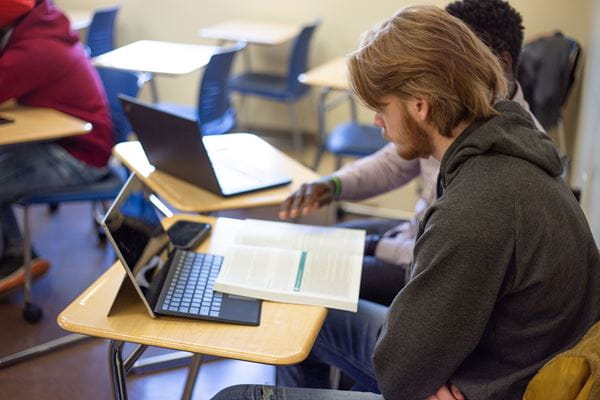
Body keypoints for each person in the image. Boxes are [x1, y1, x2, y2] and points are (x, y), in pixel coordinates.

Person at [211, 5, 600, 399]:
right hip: (489, 362)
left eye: (381, 108)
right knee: (308, 311)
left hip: (482, 384)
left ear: (419, 105)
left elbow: (399, 375)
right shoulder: (507, 143)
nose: (377, 122)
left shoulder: (476, 208)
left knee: (233, 396)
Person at [279, 0, 544, 307]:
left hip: (426, 264)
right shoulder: (452, 116)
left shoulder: (495, 167)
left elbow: (444, 257)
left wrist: (378, 246)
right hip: (413, 235)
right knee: (320, 244)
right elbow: (394, 163)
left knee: (312, 279)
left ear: (500, 62)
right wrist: (333, 185)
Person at [0, 0, 113, 294]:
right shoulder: (41, 26)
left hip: (80, 156)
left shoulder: (35, 49)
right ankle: (15, 252)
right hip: (65, 141)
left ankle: (15, 257)